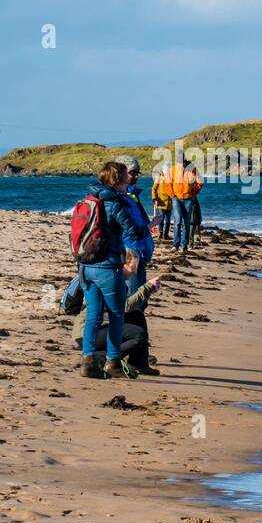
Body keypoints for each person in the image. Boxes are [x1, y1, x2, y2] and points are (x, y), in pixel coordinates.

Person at [79, 161, 152, 380]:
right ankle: (113, 362)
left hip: (85, 266)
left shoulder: (88, 200)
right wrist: (147, 227)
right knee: (117, 316)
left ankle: (88, 360)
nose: (129, 180)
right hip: (108, 267)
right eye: (126, 177)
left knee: (92, 315)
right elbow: (133, 231)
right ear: (118, 179)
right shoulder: (115, 203)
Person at [74, 250, 161, 377]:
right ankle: (104, 358)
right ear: (122, 265)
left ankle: (139, 362)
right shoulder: (110, 278)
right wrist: (147, 288)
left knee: (137, 315)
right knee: (138, 335)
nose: (133, 274)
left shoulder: (114, 278)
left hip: (98, 328)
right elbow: (124, 306)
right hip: (85, 334)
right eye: (131, 270)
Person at [115, 155, 155, 291]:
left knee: (138, 300)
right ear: (121, 173)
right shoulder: (119, 199)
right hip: (131, 255)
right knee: (132, 299)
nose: (137, 176)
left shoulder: (130, 196)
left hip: (140, 254)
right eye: (133, 173)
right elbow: (130, 230)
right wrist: (151, 225)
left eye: (138, 173)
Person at [162, 155, 203, 252]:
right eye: (179, 162)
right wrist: (172, 195)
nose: (181, 164)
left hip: (188, 199)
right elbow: (167, 183)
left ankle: (184, 246)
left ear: (185, 160)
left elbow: (200, 182)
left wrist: (193, 194)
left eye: (182, 162)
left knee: (186, 223)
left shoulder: (192, 168)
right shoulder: (172, 169)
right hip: (176, 198)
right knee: (177, 222)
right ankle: (175, 245)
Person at [151, 166, 172, 241]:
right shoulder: (159, 178)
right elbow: (154, 189)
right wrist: (155, 198)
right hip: (161, 202)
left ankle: (166, 235)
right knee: (161, 219)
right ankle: (160, 234)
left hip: (169, 203)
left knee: (168, 220)